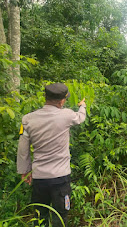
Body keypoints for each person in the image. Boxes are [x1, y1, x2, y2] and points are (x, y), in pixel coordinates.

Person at [17, 83, 86, 227]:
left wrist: (24, 171)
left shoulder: (27, 119)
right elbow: (80, 117)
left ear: (45, 97)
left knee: (39, 217)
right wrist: (82, 106)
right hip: (61, 178)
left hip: (39, 178)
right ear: (62, 101)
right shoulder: (67, 115)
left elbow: (23, 149)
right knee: (60, 217)